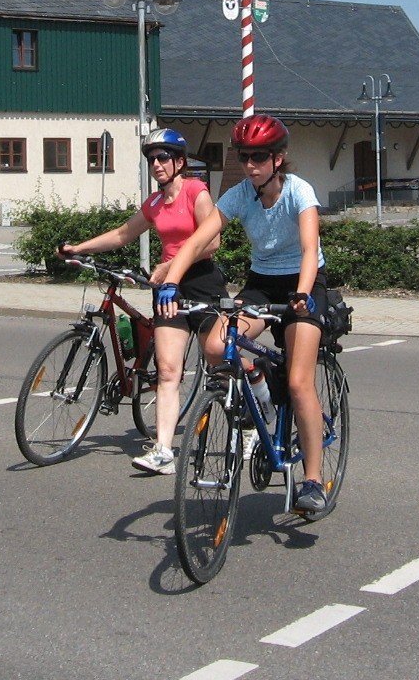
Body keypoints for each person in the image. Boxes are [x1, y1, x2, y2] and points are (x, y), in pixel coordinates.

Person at [161, 114, 335, 516]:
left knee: (298, 382)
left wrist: (304, 295)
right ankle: (259, 384)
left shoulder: (298, 191)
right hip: (261, 281)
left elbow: (310, 249)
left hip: (304, 283)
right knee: (217, 344)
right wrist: (171, 279)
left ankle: (312, 479)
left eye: (259, 157)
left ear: (279, 158)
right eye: (245, 156)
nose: (251, 165)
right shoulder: (240, 194)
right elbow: (197, 239)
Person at [59, 128, 224, 476]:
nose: (157, 164)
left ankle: (254, 404)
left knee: (218, 355)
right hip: (167, 291)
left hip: (201, 282)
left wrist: (170, 265)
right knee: (167, 370)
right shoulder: (153, 203)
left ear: (180, 161)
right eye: (151, 159)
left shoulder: (196, 191)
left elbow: (212, 243)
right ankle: (163, 450)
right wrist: (80, 247)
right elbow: (123, 234)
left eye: (163, 157)